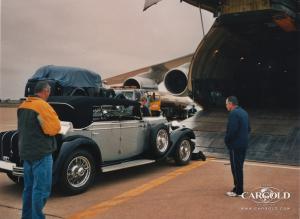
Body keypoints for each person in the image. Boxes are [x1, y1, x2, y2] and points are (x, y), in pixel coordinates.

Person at [18, 81, 61, 219]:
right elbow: (54, 129)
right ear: (46, 91)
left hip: (26, 153)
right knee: (41, 189)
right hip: (41, 154)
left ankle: (27, 217)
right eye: (48, 92)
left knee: (29, 188)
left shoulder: (23, 105)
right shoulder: (42, 106)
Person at [224, 96, 250, 197]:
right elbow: (249, 129)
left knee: (235, 168)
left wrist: (226, 140)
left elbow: (232, 131)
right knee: (239, 167)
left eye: (226, 104)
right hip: (243, 145)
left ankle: (238, 191)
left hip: (235, 146)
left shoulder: (233, 114)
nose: (226, 106)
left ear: (231, 104)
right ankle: (237, 188)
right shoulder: (244, 112)